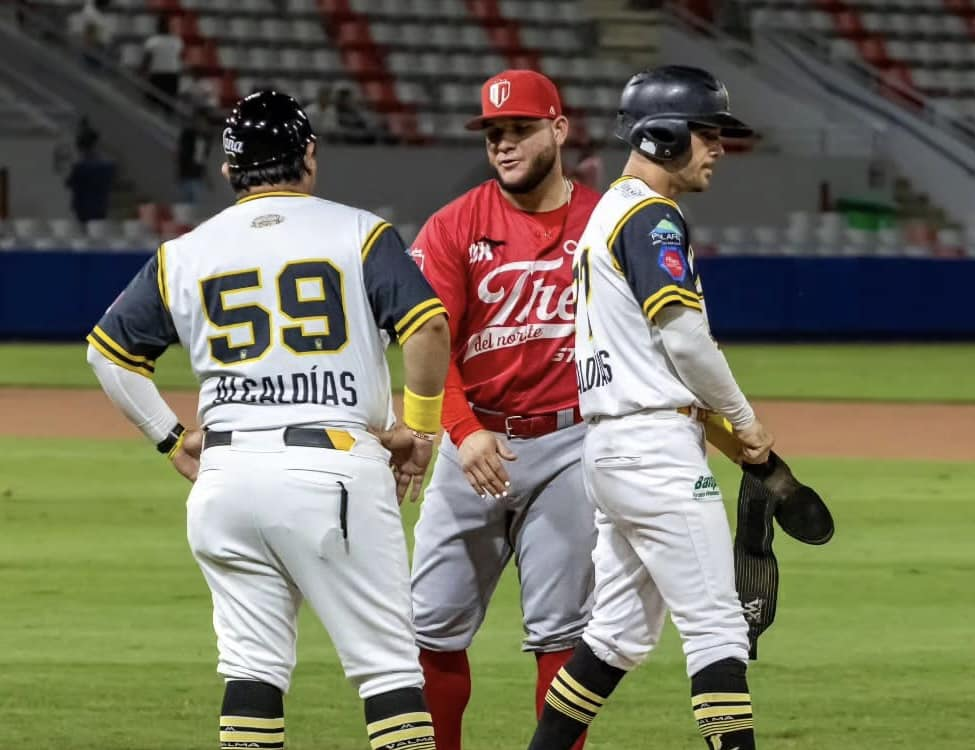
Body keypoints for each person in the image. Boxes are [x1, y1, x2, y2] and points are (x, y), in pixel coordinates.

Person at [85, 90, 450, 750]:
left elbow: (107, 354)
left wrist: (170, 437)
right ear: (309, 156)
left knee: (252, 670)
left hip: (225, 477)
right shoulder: (359, 232)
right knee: (388, 671)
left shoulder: (185, 252)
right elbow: (426, 327)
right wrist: (421, 432)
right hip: (332, 471)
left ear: (228, 170)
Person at [528, 66, 774, 750]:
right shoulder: (651, 217)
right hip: (654, 450)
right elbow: (685, 339)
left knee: (618, 634)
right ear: (662, 136)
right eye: (707, 131)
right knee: (718, 629)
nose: (718, 146)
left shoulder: (607, 209)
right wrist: (745, 421)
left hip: (610, 449)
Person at [408, 69, 601, 750]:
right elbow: (429, 346)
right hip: (474, 443)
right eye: (494, 134)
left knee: (563, 633)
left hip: (573, 444)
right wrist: (461, 432)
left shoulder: (606, 224)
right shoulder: (455, 226)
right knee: (429, 628)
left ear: (558, 129)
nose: (504, 144)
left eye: (519, 129)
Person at [65, 126, 115, 224]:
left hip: (83, 208)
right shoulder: (107, 165)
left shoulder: (80, 166)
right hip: (101, 206)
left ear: (81, 147)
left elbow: (69, 183)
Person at [142, 14, 183, 109]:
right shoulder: (154, 41)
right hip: (162, 75)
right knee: (156, 104)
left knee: (166, 105)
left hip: (166, 75)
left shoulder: (175, 41)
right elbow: (147, 60)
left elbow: (146, 61)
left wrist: (143, 72)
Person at [177, 107, 212, 204]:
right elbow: (181, 153)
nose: (202, 124)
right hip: (186, 174)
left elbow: (203, 159)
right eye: (199, 121)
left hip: (198, 176)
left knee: (196, 205)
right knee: (185, 205)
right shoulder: (188, 135)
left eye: (204, 122)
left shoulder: (206, 138)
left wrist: (206, 177)